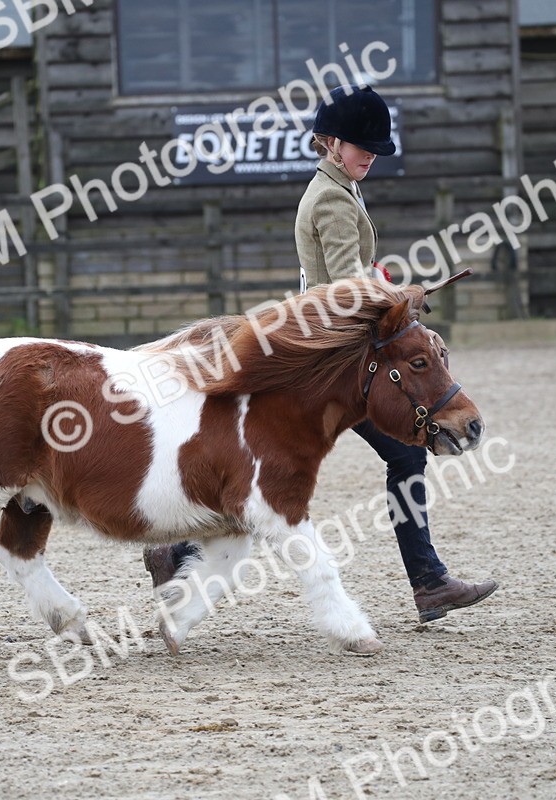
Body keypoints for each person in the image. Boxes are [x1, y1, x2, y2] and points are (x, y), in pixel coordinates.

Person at [146, 85, 496, 624]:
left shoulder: (341, 187)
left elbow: (356, 276)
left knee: (330, 460)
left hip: (339, 349)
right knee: (296, 464)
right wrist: (402, 296)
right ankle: (428, 583)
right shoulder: (332, 199)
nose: (371, 153)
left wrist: (397, 289)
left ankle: (428, 582)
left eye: (375, 146)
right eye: (361, 145)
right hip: (337, 360)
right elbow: (346, 288)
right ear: (331, 143)